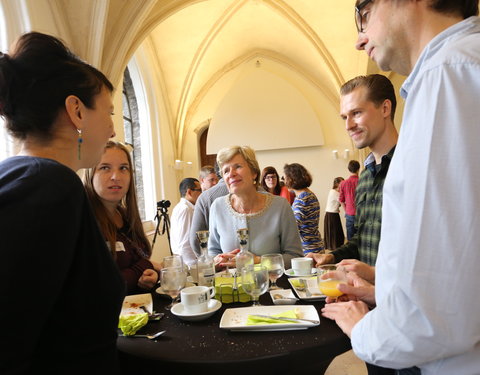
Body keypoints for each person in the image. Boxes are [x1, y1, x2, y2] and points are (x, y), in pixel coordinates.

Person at [322, 1, 480, 374]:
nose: (360, 40)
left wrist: (364, 330)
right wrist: (381, 291)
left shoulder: (448, 74)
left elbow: (433, 312)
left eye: (364, 12)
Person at [0, 32, 124, 373]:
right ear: (77, 111)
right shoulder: (49, 186)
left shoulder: (32, 179)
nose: (113, 130)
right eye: (109, 112)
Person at [208, 146, 303, 270]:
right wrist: (217, 260)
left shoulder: (280, 206)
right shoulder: (217, 207)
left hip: (273, 287)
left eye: (238, 166)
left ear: (254, 173)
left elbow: (295, 257)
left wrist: (259, 261)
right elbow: (212, 253)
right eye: (226, 171)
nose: (231, 174)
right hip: (231, 287)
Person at [84, 141, 159, 295]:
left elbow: (139, 266)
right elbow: (101, 287)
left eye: (123, 168)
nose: (115, 177)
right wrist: (145, 266)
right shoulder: (85, 222)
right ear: (91, 173)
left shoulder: (125, 215)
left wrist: (150, 277)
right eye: (105, 168)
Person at [283, 163, 324, 255]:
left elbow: (294, 226)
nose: (284, 182)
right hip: (314, 244)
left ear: (292, 179)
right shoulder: (308, 194)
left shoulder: (303, 198)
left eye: (285, 178)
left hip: (308, 248)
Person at [189, 165, 229, 257]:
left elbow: (194, 239)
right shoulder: (203, 199)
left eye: (216, 179)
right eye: (211, 180)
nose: (215, 183)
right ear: (202, 180)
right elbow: (194, 237)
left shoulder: (205, 198)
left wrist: (204, 259)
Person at [170, 177, 202, 266]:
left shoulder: (184, 207)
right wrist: (193, 265)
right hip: (186, 262)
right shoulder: (186, 209)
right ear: (189, 192)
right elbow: (185, 242)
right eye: (200, 190)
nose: (202, 194)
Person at [339, 159, 360, 240]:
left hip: (349, 214)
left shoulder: (343, 183)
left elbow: (341, 200)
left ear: (348, 169)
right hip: (361, 214)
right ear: (358, 169)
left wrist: (346, 210)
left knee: (350, 239)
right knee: (361, 239)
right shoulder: (362, 181)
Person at [324, 177, 345, 250]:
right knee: (335, 233)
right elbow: (342, 201)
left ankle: (334, 247)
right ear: (337, 184)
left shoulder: (333, 191)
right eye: (342, 183)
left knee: (336, 233)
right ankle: (334, 247)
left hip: (332, 214)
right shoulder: (334, 192)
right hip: (332, 214)